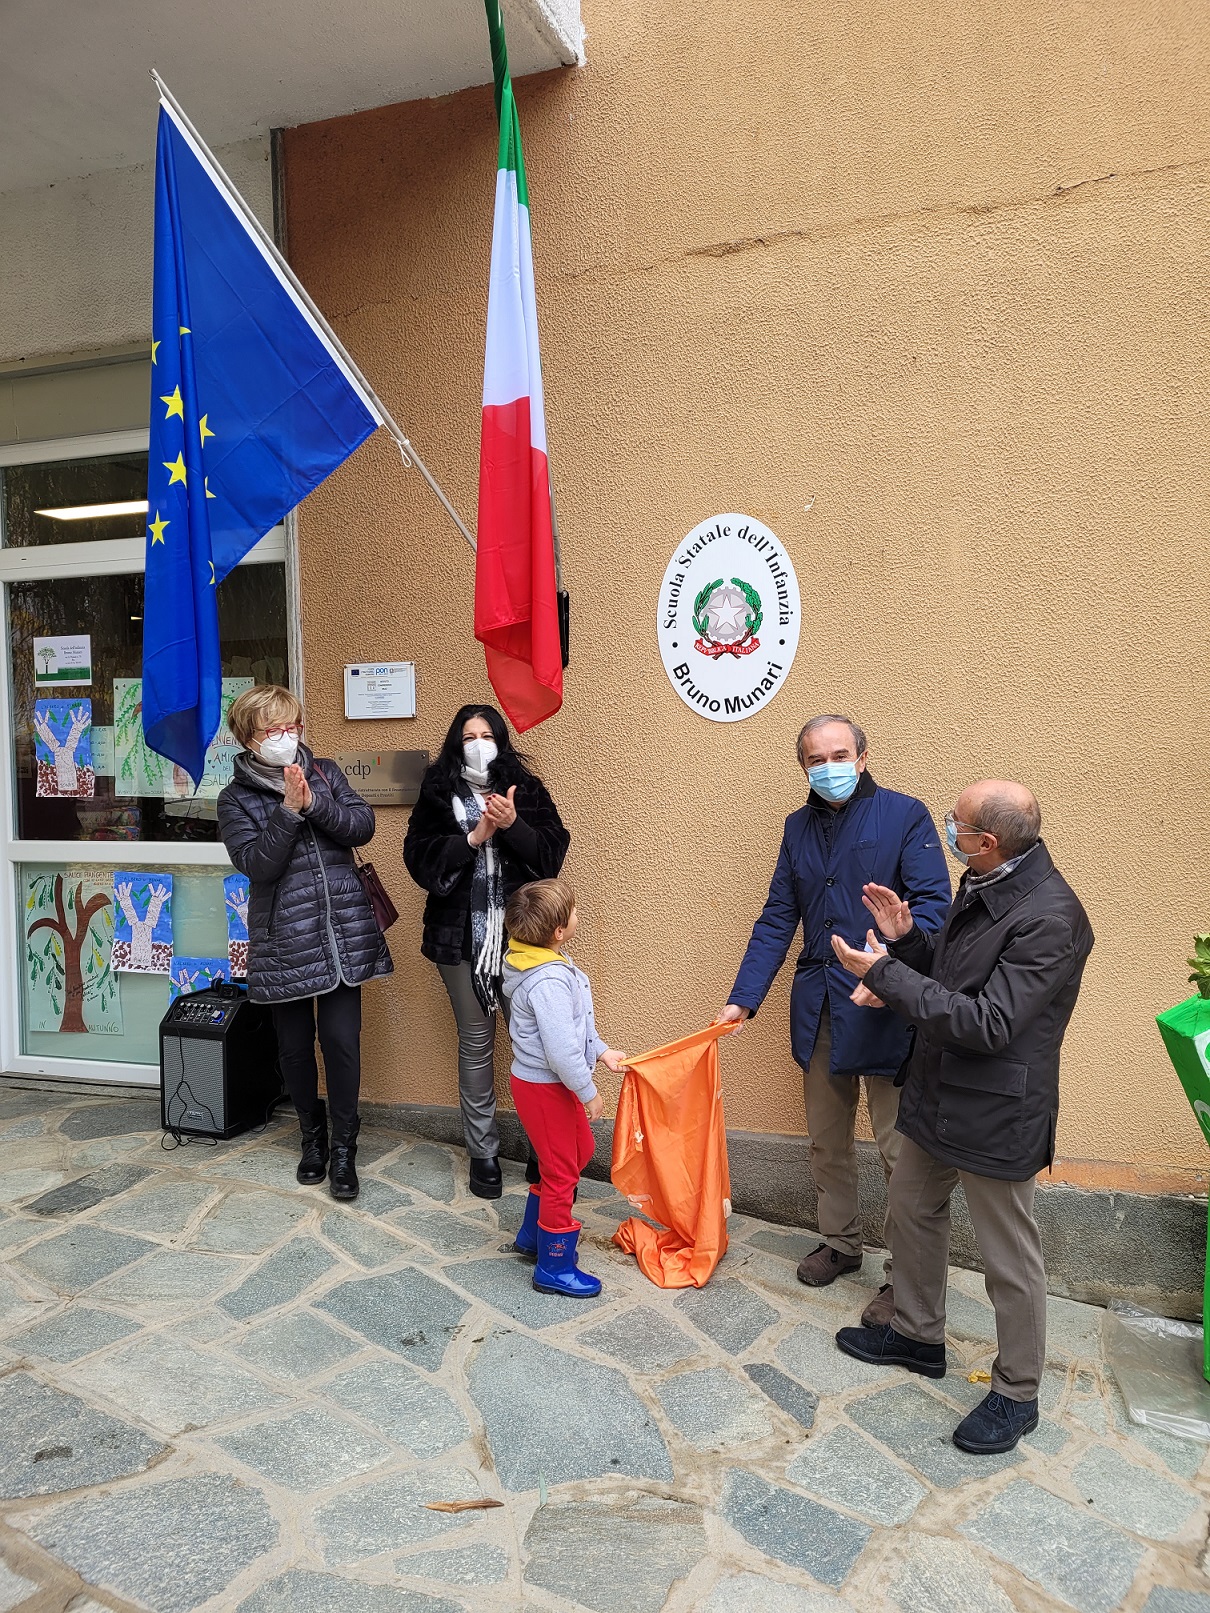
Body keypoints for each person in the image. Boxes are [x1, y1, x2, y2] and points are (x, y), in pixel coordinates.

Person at [831, 780, 1093, 1456]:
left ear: (988, 841)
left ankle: (1016, 1390)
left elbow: (990, 1021)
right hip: (938, 1090)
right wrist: (909, 940)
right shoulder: (983, 880)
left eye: (957, 821)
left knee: (1010, 1258)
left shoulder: (1051, 915)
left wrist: (887, 972)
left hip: (997, 1106)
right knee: (911, 1207)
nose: (947, 825)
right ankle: (917, 1333)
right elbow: (955, 977)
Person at [717, 715, 950, 1323]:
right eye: (816, 759)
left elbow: (935, 910)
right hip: (821, 1000)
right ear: (803, 767)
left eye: (839, 754)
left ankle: (908, 1274)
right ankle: (841, 1242)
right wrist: (744, 996)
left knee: (903, 1150)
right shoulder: (796, 827)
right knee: (826, 1137)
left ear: (864, 756)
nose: (829, 767)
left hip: (891, 1003)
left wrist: (892, 965)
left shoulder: (906, 815)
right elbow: (776, 917)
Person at [218, 685, 392, 1201]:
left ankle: (343, 1147)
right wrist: (288, 813)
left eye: (291, 725)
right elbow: (256, 865)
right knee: (294, 1049)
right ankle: (311, 1137)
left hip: (342, 935)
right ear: (248, 738)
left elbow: (361, 826)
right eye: (272, 729)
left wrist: (313, 802)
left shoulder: (327, 773)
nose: (285, 736)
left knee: (341, 1042)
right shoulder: (234, 799)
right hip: (284, 940)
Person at [403, 705, 570, 1198]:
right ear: (457, 742)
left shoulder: (525, 786)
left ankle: (544, 1154)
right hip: (459, 941)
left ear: (501, 741)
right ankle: (484, 1155)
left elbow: (551, 853)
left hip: (523, 939)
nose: (478, 743)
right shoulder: (437, 792)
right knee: (476, 1042)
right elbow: (420, 860)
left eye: (487, 735)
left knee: (535, 1045)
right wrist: (475, 837)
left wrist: (514, 824)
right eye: (469, 735)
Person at [500, 878, 626, 1296]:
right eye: (572, 912)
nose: (576, 916)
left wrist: (603, 1051)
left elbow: (576, 1029)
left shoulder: (544, 960)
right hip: (546, 1086)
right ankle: (553, 1265)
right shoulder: (547, 980)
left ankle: (532, 1236)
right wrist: (588, 1090)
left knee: (579, 1153)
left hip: (553, 1084)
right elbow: (560, 1049)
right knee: (561, 1172)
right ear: (558, 930)